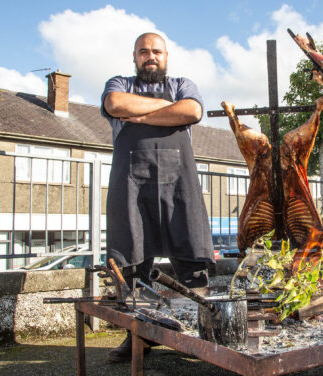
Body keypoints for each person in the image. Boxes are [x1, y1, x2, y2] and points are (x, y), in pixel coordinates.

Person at [101, 32, 214, 362]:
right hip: (133, 187)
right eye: (143, 52)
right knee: (135, 263)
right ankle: (141, 337)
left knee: (192, 258)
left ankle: (206, 333)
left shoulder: (183, 84)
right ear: (134, 57)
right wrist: (168, 110)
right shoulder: (119, 82)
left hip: (179, 186)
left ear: (167, 56)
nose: (150, 56)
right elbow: (115, 104)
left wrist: (142, 115)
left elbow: (192, 111)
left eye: (156, 52)